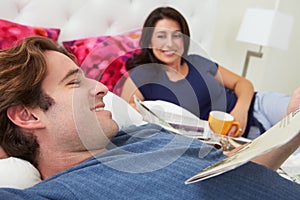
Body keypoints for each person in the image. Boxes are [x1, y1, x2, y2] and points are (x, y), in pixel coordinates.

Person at [0, 36, 299, 199]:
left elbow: (238, 174)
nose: (103, 87)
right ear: (26, 114)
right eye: (73, 82)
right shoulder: (59, 193)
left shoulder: (144, 134)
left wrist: (293, 126)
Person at [120, 6, 293, 139]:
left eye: (177, 36)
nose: (170, 44)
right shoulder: (140, 79)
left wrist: (240, 110)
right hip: (235, 138)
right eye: (161, 36)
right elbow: (124, 119)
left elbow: (243, 84)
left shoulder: (197, 61)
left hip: (257, 105)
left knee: (297, 114)